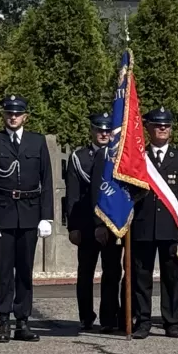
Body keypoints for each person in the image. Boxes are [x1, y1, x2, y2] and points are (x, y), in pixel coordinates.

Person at [0, 95, 55, 343]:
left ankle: (23, 321)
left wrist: (47, 217)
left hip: (30, 213)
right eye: (9, 113)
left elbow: (47, 180)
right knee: (3, 271)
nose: (13, 117)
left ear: (25, 117)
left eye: (17, 114)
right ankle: (3, 322)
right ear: (3, 116)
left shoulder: (37, 141)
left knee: (24, 271)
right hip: (3, 214)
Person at [128, 107, 178, 338]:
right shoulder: (138, 158)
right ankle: (143, 321)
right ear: (148, 128)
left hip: (171, 227)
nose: (162, 129)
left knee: (172, 277)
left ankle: (172, 321)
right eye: (158, 125)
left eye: (166, 125)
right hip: (143, 226)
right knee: (141, 277)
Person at [63, 113, 121, 332]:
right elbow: (73, 195)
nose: (104, 134)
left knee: (112, 272)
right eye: (99, 130)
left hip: (111, 224)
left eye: (107, 130)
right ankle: (86, 316)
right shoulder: (80, 157)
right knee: (86, 273)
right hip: (86, 223)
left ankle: (108, 318)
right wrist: (73, 227)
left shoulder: (117, 157)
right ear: (92, 131)